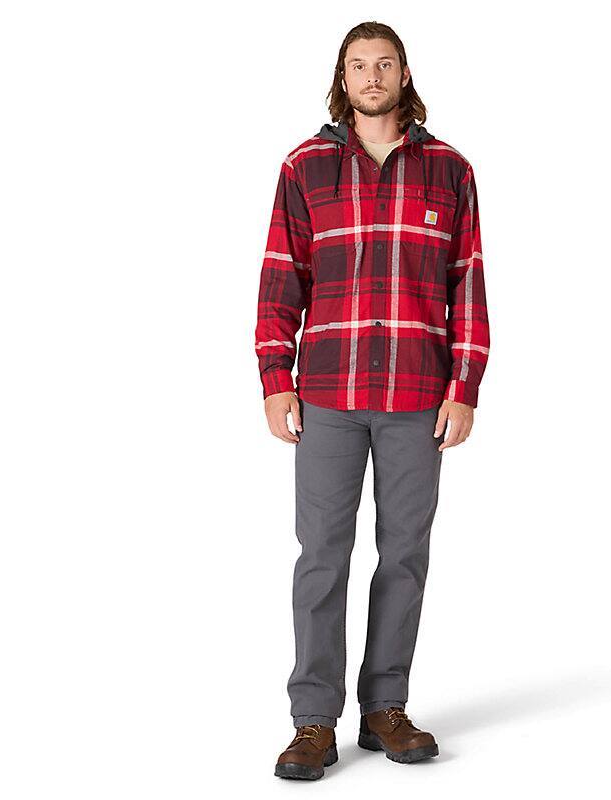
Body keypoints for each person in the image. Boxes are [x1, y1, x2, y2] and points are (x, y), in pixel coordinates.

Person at [254, 21, 490, 780]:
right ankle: (314, 720)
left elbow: (468, 283)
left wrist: (464, 388)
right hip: (328, 393)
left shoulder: (449, 170)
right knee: (322, 557)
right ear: (343, 77)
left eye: (384, 63)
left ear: (404, 73)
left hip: (419, 395)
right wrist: (275, 378)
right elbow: (281, 277)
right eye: (358, 65)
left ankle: (385, 706)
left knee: (405, 555)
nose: (372, 76)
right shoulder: (305, 167)